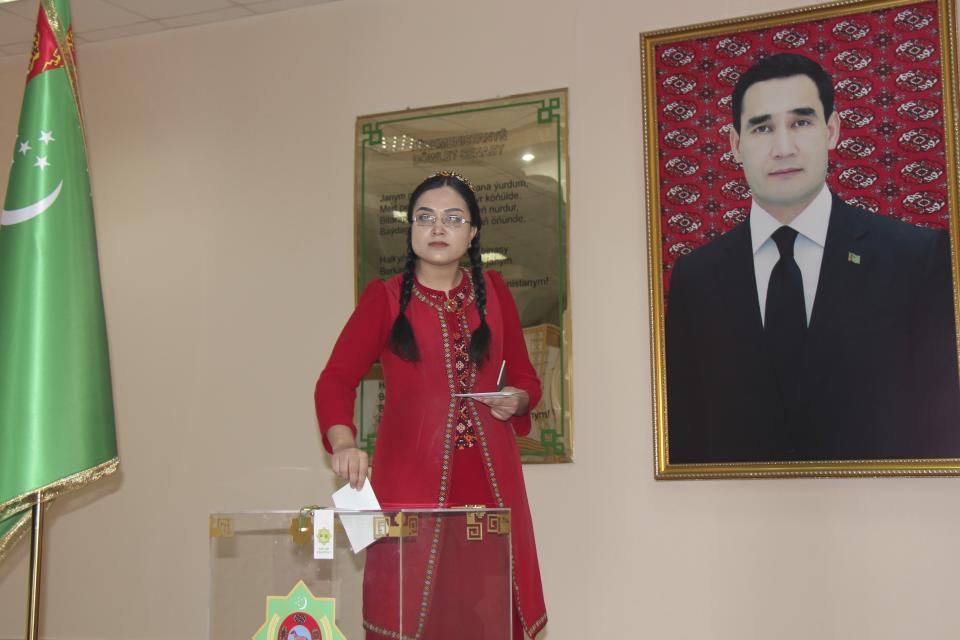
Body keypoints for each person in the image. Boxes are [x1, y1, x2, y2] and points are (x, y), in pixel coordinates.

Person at [666, 53, 960, 464]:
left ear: (832, 130)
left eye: (800, 122)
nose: (783, 147)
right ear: (735, 144)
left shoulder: (915, 258)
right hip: (734, 517)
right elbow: (686, 428)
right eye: (762, 127)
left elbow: (940, 422)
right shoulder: (695, 277)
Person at [315, 171, 547, 638]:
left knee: (488, 612)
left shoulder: (496, 292)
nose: (438, 228)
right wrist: (343, 443)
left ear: (473, 232)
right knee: (412, 610)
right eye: (425, 217)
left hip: (490, 484)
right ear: (411, 229)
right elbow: (335, 381)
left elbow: (525, 380)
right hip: (409, 482)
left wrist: (516, 399)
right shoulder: (384, 299)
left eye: (452, 218)